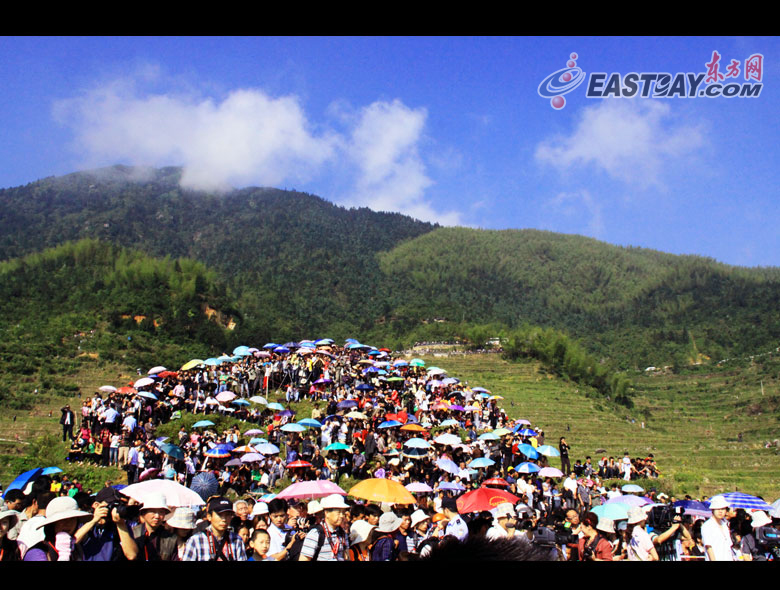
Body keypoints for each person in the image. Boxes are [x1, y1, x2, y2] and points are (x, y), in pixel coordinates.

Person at [75, 486, 139, 561]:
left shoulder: (121, 524)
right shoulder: (85, 523)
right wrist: (94, 520)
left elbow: (132, 555)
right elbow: (73, 541)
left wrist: (121, 525)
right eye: (110, 505)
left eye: (117, 505)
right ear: (96, 505)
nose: (113, 509)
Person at [23, 496, 90, 561]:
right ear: (52, 524)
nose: (68, 524)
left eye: (72, 519)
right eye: (62, 520)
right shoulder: (37, 553)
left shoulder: (76, 549)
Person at [181, 497, 247, 561]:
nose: (224, 519)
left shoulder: (236, 540)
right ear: (209, 517)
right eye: (220, 515)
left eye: (227, 515)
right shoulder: (196, 540)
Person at [299, 494, 350, 561]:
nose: (342, 516)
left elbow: (347, 557)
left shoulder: (342, 533)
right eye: (338, 512)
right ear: (327, 513)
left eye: (343, 513)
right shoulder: (316, 533)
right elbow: (304, 559)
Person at [131, 492, 178, 561]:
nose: (157, 516)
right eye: (153, 511)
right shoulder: (133, 533)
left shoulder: (171, 538)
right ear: (144, 513)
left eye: (161, 512)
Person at [700, 496, 735, 561]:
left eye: (722, 509)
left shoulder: (725, 525)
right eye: (718, 509)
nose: (720, 511)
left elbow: (728, 547)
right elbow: (709, 547)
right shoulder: (707, 526)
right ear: (713, 510)